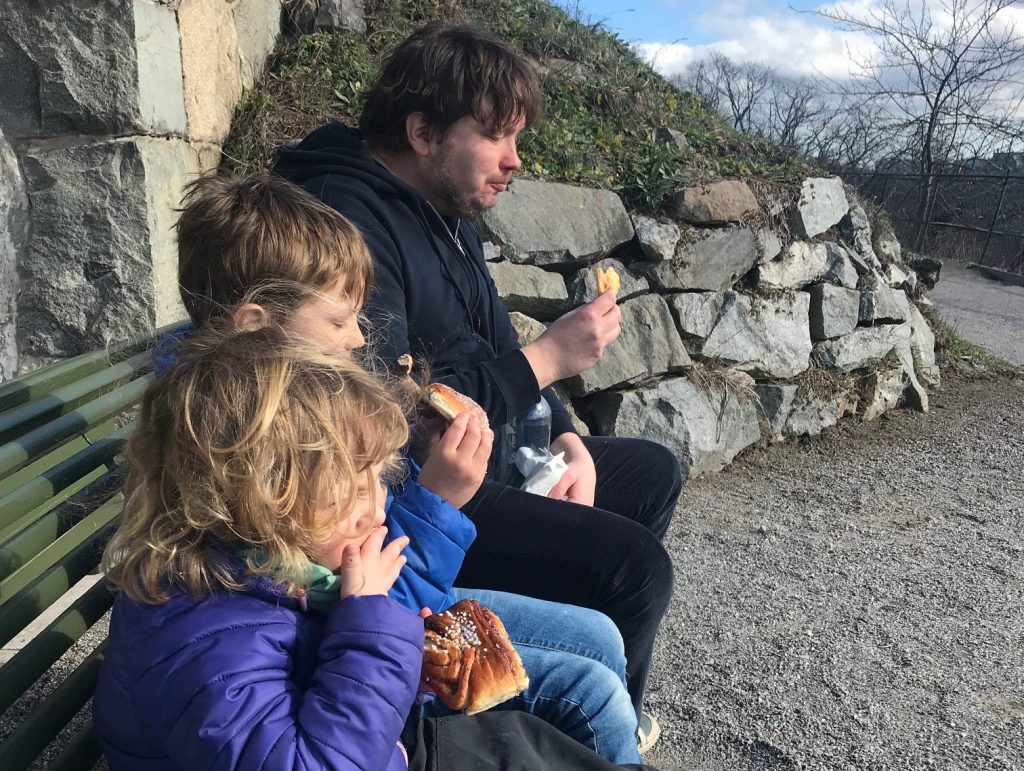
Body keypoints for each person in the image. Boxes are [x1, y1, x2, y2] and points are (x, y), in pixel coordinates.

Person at [274, 22, 681, 746]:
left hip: (488, 450)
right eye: (497, 136)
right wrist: (550, 360)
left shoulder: (449, 211)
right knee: (633, 568)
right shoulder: (344, 216)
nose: (514, 161)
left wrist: (566, 436)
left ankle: (579, 698)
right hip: (418, 492)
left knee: (648, 472)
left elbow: (498, 339)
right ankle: (576, 732)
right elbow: (385, 405)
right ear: (424, 131)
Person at [169, 173, 642, 763]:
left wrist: (417, 454)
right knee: (605, 641)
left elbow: (348, 555)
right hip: (354, 655)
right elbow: (357, 582)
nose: (360, 335)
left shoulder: (274, 419)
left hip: (356, 632)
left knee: (598, 636)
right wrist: (436, 503)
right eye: (340, 319)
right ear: (256, 325)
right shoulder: (248, 453)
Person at [93, 328, 659, 771]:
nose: (376, 506)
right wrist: (371, 631)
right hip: (370, 742)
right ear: (261, 499)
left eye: (376, 477)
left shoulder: (273, 570)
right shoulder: (206, 642)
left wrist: (379, 635)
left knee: (565, 695)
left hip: (373, 731)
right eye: (351, 485)